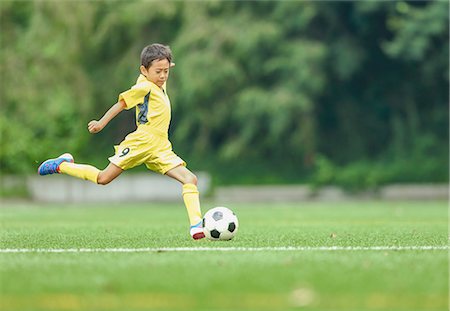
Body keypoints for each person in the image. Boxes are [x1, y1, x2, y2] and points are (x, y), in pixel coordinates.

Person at [38, 43, 205, 240]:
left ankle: (196, 225)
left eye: (166, 71)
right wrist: (100, 123)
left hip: (161, 146)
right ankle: (62, 165)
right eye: (158, 71)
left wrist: (164, 62)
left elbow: (162, 67)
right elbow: (121, 104)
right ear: (144, 70)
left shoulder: (158, 81)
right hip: (141, 141)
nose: (163, 76)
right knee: (103, 178)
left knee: (190, 179)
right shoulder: (143, 86)